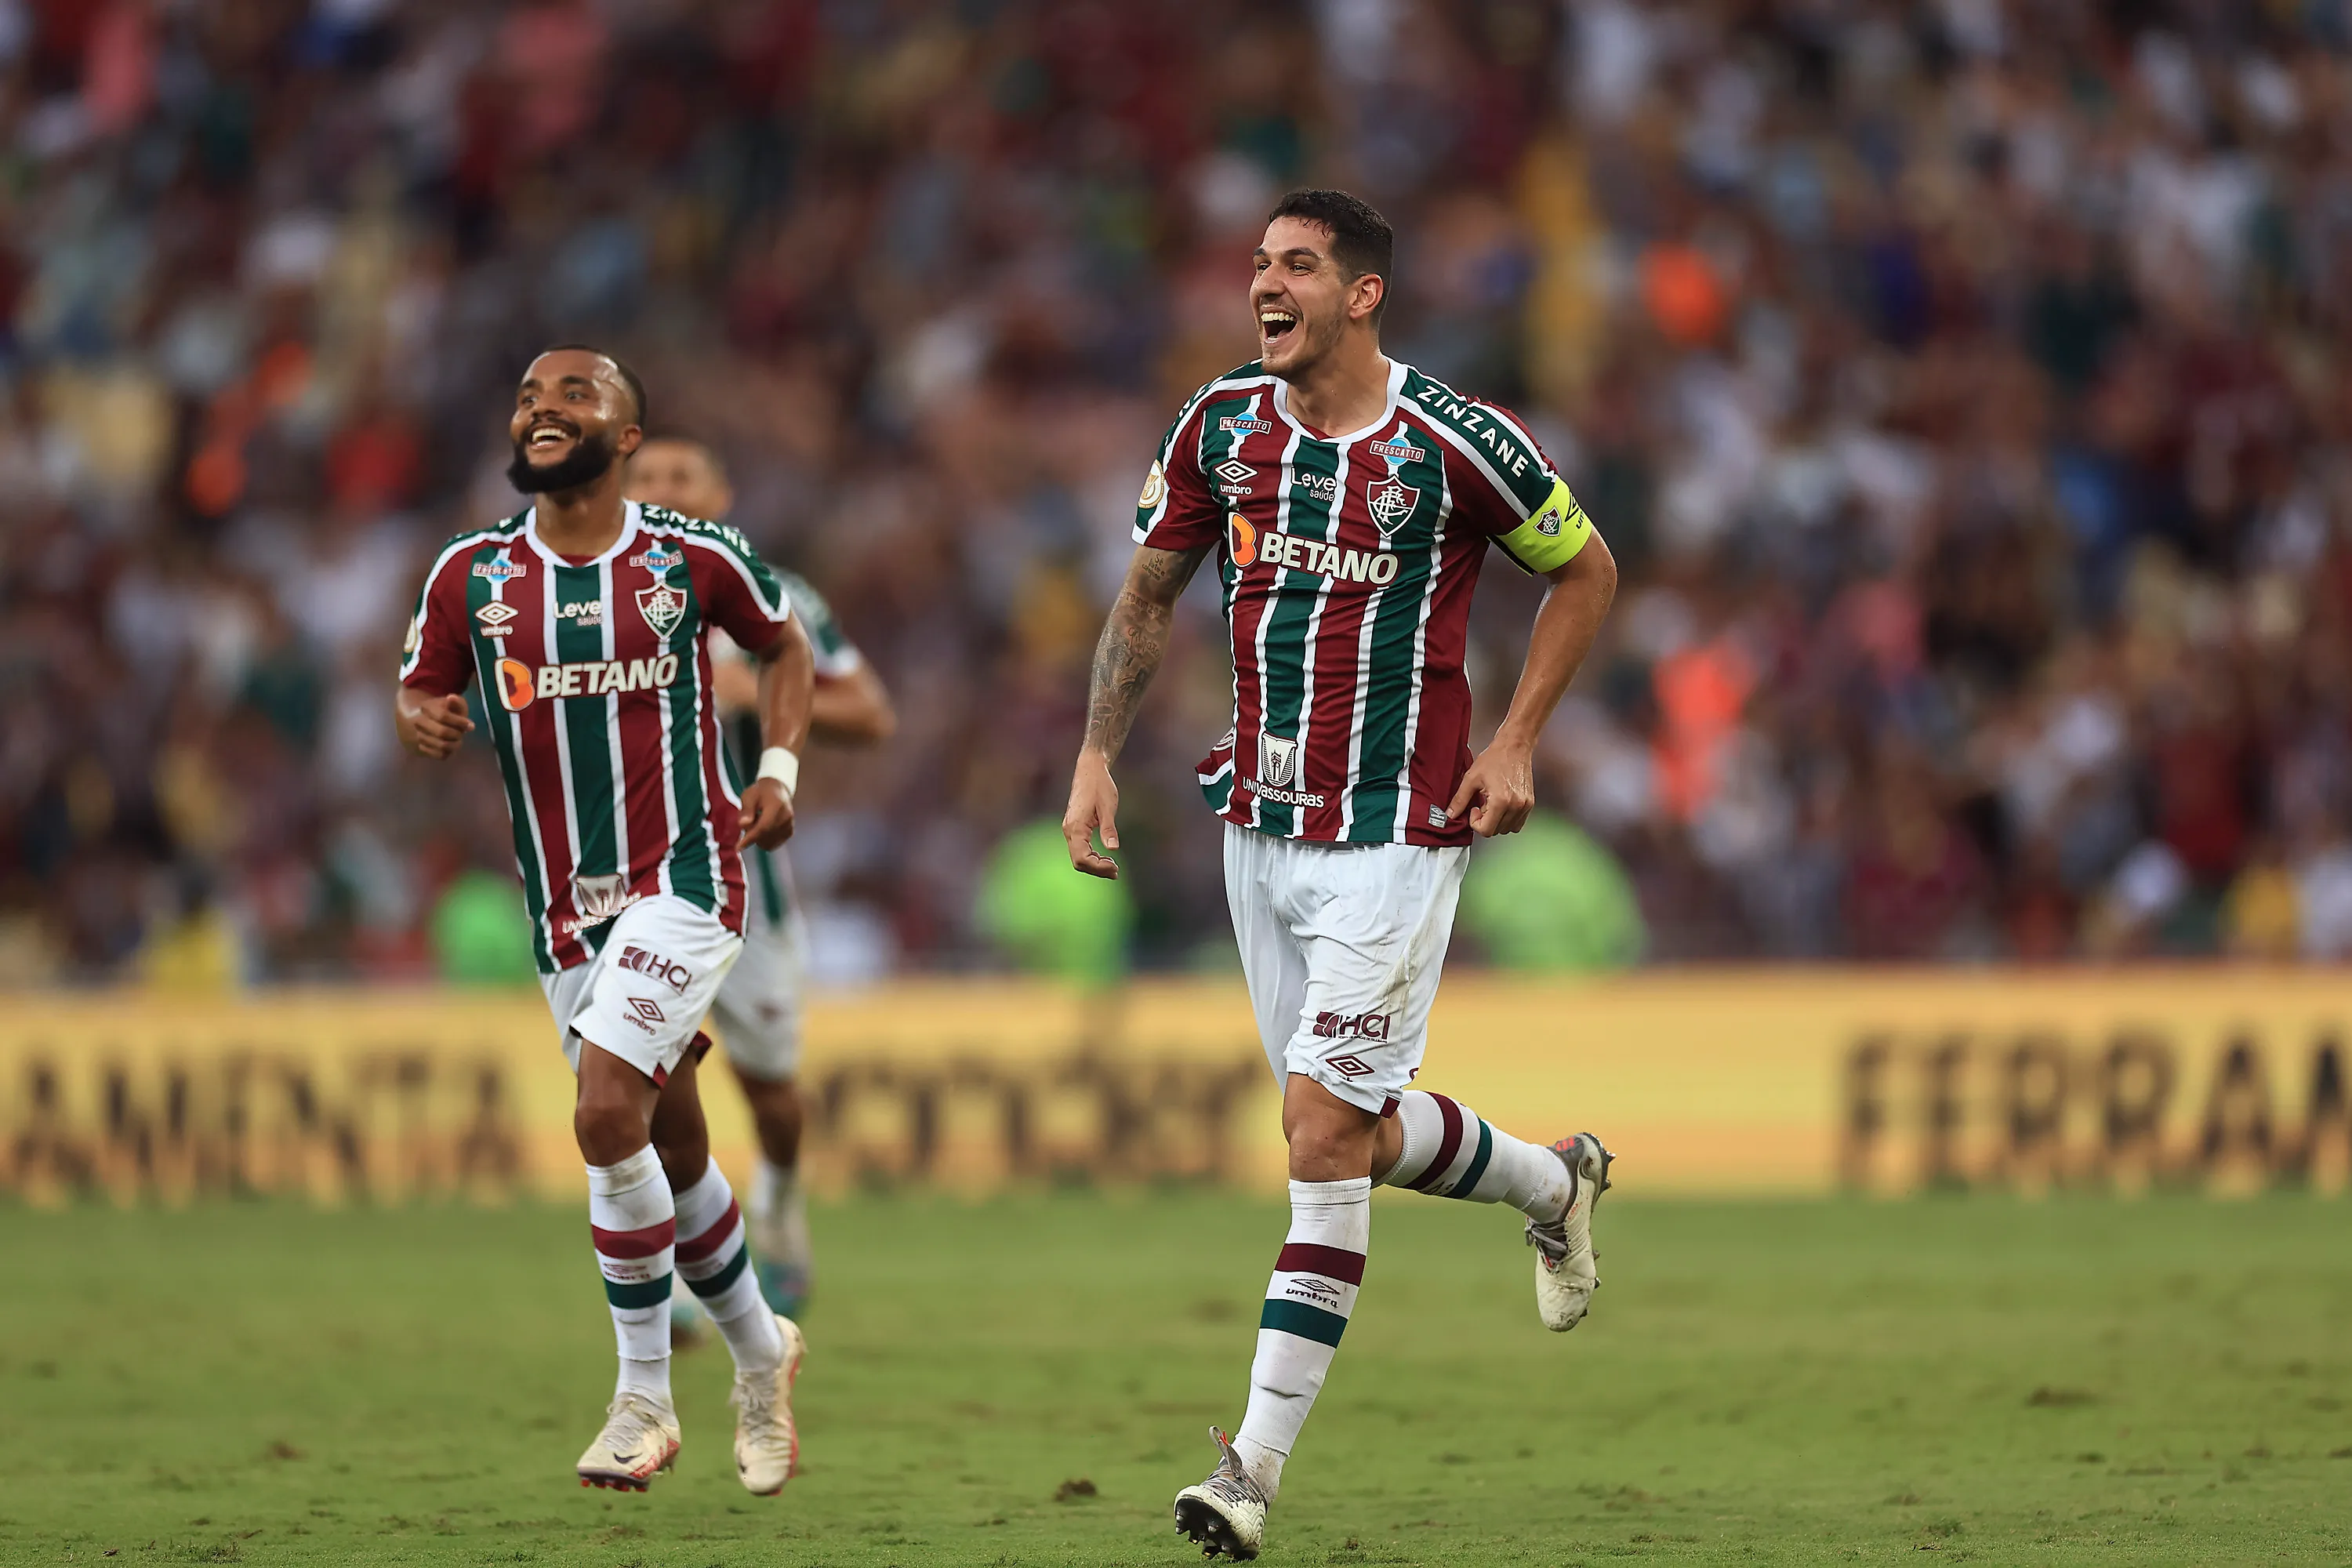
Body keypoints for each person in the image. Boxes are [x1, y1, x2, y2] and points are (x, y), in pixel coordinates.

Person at [1060, 191, 1621, 1560]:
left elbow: (1588, 571)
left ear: (1362, 295)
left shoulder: (1453, 442)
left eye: (1297, 266)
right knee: (1354, 1134)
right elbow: (1146, 598)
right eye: (1258, 263)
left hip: (1396, 835)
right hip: (1257, 826)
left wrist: (1516, 742)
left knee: (1319, 1146)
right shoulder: (1219, 427)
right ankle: (1555, 1184)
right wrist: (1093, 757)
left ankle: (1247, 1472)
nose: (1266, 284)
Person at [396, 347, 818, 1496]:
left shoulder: (689, 557)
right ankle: (759, 1350)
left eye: (575, 396)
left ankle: (642, 1399)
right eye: (530, 395)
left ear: (626, 439)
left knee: (598, 1115)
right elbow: (422, 684)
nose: (543, 409)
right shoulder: (470, 576)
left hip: (686, 881)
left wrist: (775, 767)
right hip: (565, 913)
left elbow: (785, 645)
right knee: (670, 1148)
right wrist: (424, 716)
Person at [623, 434, 895, 1321]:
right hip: (632, 890)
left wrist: (755, 693)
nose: (663, 491)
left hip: (749, 893)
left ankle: (779, 1194)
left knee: (772, 1092)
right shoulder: (589, 596)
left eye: (681, 478)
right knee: (648, 1083)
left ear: (721, 492)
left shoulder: (772, 595)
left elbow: (871, 712)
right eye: (647, 479)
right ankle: (695, 1274)